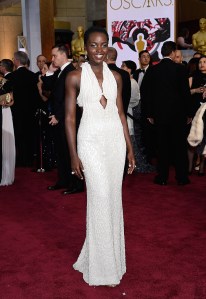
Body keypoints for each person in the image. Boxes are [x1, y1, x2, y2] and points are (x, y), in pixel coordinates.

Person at [65, 26, 136, 286]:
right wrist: (74, 155)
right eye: (93, 45)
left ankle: (111, 260)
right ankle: (101, 267)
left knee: (113, 199)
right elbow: (70, 118)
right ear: (85, 47)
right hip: (90, 141)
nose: (98, 50)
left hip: (115, 141)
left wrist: (129, 147)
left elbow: (120, 114)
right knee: (100, 197)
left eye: (103, 44)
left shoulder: (117, 77)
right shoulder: (74, 77)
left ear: (108, 47)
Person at [142, 41, 193, 185]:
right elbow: (185, 94)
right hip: (178, 115)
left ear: (162, 52)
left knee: (162, 147)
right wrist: (189, 114)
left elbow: (146, 94)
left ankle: (162, 177)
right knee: (179, 147)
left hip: (159, 115)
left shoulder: (152, 70)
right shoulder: (180, 69)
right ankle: (182, 178)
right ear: (172, 53)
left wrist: (149, 114)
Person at [46, 44, 84, 195]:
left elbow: (70, 99)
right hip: (60, 119)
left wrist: (58, 116)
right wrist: (49, 71)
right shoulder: (60, 72)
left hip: (69, 119)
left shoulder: (71, 72)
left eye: (54, 56)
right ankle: (64, 180)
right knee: (61, 151)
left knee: (71, 152)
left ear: (63, 55)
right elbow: (48, 89)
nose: (52, 59)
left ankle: (77, 184)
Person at [0, 59, 15, 186]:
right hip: (4, 111)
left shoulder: (5, 82)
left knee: (5, 142)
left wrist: (5, 101)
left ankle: (6, 174)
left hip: (5, 112)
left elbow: (11, 101)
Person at [106, 46, 131, 116]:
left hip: (105, 116)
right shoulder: (125, 74)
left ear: (106, 56)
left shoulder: (101, 72)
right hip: (121, 114)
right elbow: (127, 96)